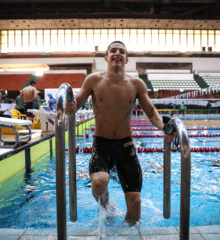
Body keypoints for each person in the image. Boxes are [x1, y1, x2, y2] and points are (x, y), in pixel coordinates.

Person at [65, 41, 176, 224]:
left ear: (126, 59)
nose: (118, 53)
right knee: (99, 183)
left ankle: (125, 233)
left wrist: (164, 127)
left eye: (122, 51)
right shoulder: (93, 80)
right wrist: (70, 105)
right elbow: (76, 103)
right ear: (106, 57)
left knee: (136, 203)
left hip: (126, 146)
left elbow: (151, 112)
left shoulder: (137, 84)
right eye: (113, 50)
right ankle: (107, 206)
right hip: (102, 145)